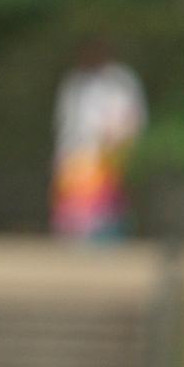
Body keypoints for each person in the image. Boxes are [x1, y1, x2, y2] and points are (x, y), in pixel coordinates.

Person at [51, 41, 146, 241]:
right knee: (77, 202)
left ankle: (109, 238)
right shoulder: (76, 81)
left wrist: (122, 139)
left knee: (109, 202)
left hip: (112, 151)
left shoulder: (121, 80)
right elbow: (66, 120)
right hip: (78, 152)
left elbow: (132, 115)